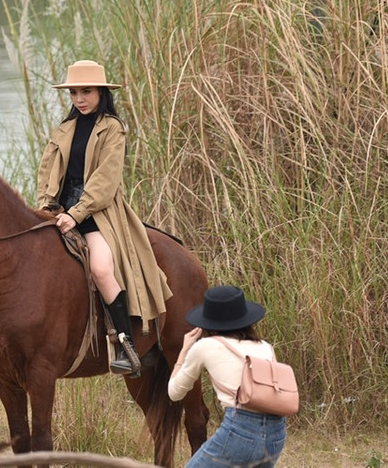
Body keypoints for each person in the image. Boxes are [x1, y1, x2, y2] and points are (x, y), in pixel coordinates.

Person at [36, 59, 171, 376]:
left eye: (86, 91)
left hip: (97, 212)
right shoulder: (64, 129)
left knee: (100, 266)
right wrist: (47, 205)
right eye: (73, 93)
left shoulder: (113, 129)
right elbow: (47, 171)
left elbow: (105, 181)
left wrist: (76, 213)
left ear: (101, 92)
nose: (79, 99)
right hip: (59, 209)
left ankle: (127, 346)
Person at [168, 285, 288, 468]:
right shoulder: (265, 347)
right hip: (276, 433)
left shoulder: (205, 346)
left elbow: (174, 393)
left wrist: (185, 350)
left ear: (208, 322)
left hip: (241, 430)